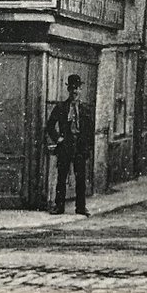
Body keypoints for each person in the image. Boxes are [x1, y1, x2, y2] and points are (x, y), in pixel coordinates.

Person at [45, 73, 93, 216]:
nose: (74, 91)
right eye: (72, 88)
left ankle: (81, 207)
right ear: (68, 90)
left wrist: (87, 146)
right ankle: (59, 207)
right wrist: (57, 138)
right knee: (62, 177)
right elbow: (50, 126)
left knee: (80, 178)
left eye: (77, 88)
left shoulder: (85, 109)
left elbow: (90, 129)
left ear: (80, 89)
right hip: (65, 145)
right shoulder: (61, 107)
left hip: (79, 146)